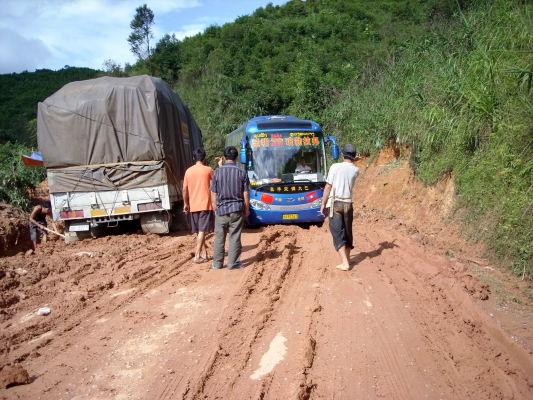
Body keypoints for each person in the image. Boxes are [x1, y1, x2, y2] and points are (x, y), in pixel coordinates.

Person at [320, 144, 360, 271]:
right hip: (348, 203)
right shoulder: (356, 170)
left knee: (337, 232)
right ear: (354, 156)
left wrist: (322, 204)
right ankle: (347, 259)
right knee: (348, 231)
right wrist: (354, 160)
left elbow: (328, 187)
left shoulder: (335, 167)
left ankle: (345, 263)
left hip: (335, 203)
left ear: (342, 154)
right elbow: (350, 167)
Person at [210, 146, 251, 270]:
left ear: (225, 157)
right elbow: (246, 193)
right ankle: (233, 264)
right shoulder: (242, 172)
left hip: (221, 210)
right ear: (236, 158)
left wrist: (214, 207)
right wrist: (247, 208)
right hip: (236, 209)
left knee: (219, 237)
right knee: (234, 237)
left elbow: (213, 193)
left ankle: (217, 263)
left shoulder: (217, 172)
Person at [183, 148, 216, 264]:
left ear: (193, 158)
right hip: (205, 204)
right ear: (204, 158)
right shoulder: (208, 170)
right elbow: (215, 186)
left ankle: (204, 253)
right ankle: (197, 255)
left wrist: (186, 203)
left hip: (193, 205)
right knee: (202, 230)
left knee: (199, 231)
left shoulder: (188, 171)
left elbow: (184, 190)